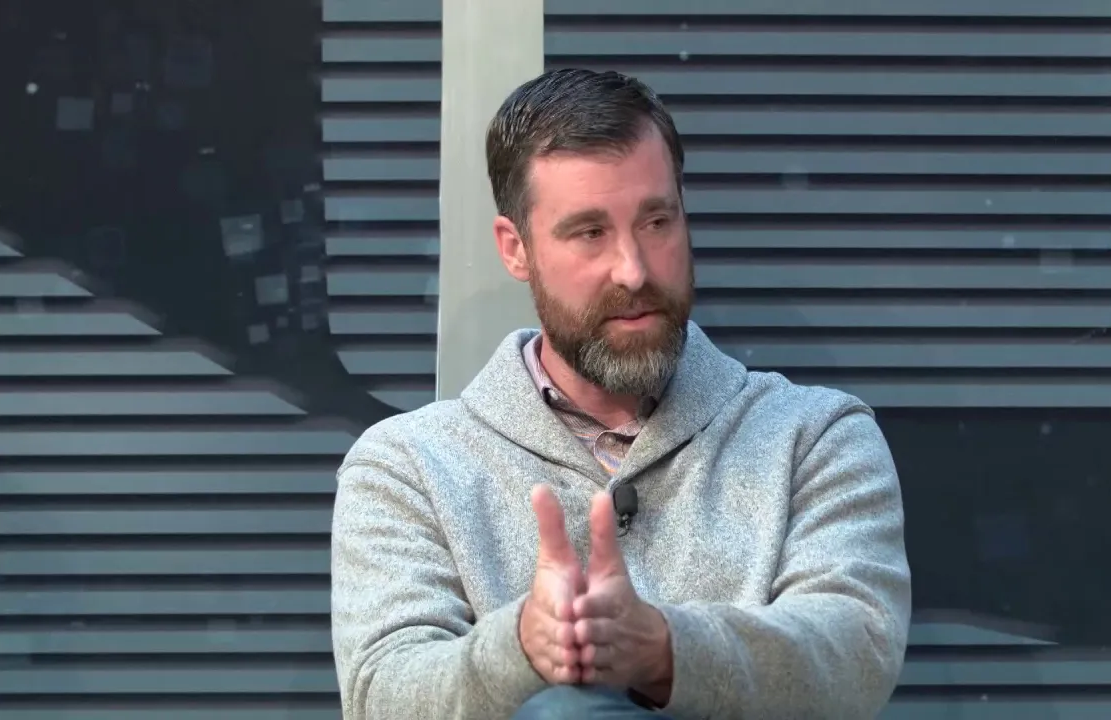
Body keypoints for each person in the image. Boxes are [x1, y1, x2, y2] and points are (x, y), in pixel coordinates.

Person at [330, 68, 911, 720]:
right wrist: (522, 647)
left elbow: (855, 651)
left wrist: (661, 648)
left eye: (657, 221)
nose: (633, 270)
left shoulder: (816, 437)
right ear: (516, 249)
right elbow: (383, 693)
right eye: (590, 233)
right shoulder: (407, 465)